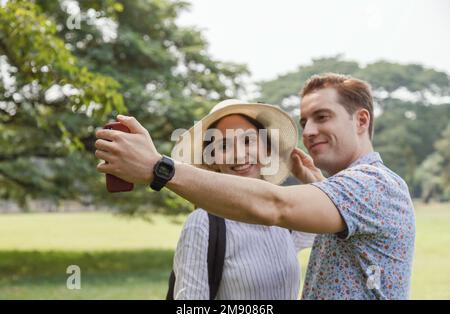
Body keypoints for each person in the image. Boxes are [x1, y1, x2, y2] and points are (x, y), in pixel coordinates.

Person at [94, 73, 415, 299]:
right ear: (211, 157)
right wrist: (317, 184)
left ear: (361, 121)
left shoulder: (371, 188)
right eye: (305, 122)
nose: (310, 131)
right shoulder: (205, 224)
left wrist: (158, 169)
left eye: (323, 116)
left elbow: (274, 205)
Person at [169, 99, 315, 300]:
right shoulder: (203, 223)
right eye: (224, 145)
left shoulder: (284, 213)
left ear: (267, 151)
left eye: (248, 141)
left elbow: (340, 232)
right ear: (212, 162)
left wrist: (314, 179)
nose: (238, 155)